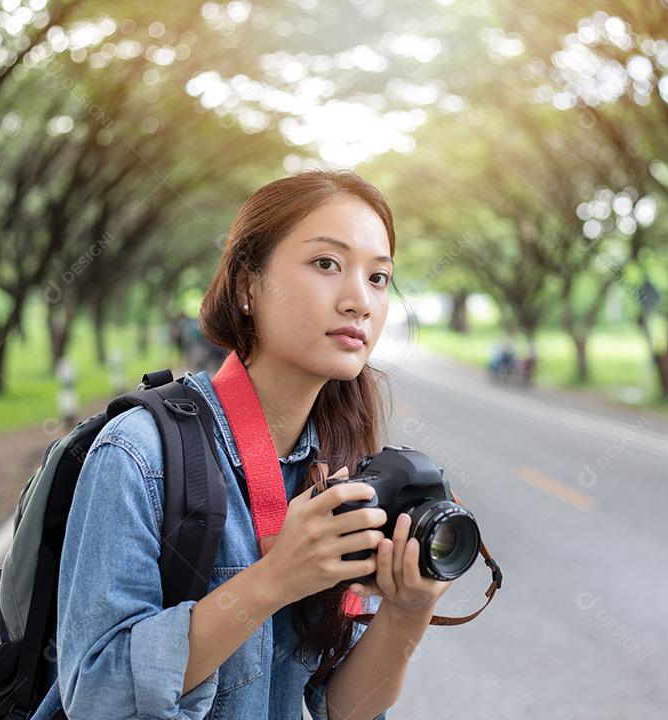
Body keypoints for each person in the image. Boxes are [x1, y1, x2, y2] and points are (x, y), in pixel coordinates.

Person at [29, 170, 455, 720]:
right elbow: (96, 693)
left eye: (378, 278)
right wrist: (274, 580)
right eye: (327, 264)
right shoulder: (138, 454)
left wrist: (407, 611)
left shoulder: (340, 467)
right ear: (248, 286)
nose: (359, 301)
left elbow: (343, 709)